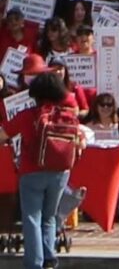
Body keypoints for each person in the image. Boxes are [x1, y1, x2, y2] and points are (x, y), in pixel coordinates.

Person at [0, 71, 84, 269]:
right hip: (60, 171)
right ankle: (49, 258)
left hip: (32, 170)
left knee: (31, 217)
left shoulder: (28, 115)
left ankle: (34, 262)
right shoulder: (68, 116)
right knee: (50, 216)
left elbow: (3, 134)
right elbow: (80, 141)